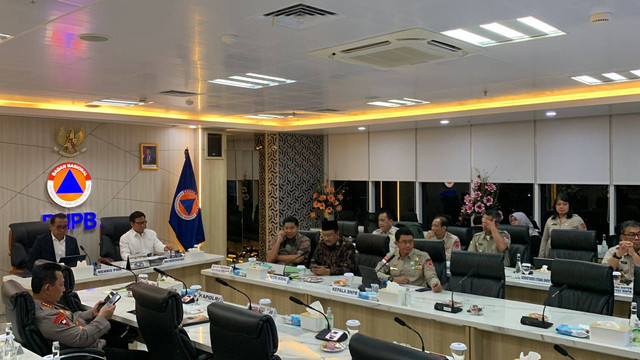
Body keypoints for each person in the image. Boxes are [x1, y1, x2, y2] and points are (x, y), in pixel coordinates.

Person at [376, 227, 442, 292]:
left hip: (417, 293)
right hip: (396, 293)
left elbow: (431, 276)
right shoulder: (390, 257)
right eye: (404, 242)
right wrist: (391, 279)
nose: (408, 245)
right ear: (396, 243)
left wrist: (435, 284)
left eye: (410, 242)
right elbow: (377, 272)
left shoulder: (423, 256)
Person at [538, 194, 586, 258]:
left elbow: (585, 240)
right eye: (559, 204)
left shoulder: (577, 220)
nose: (561, 207)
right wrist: (541, 258)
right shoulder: (550, 220)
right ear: (555, 206)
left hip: (570, 256)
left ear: (569, 206)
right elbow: (544, 240)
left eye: (565, 204)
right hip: (551, 255)